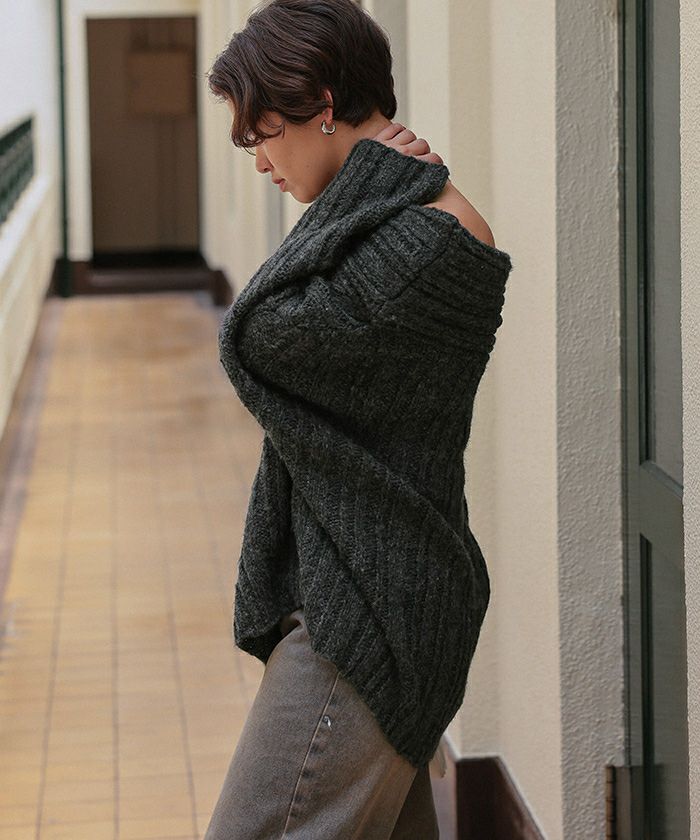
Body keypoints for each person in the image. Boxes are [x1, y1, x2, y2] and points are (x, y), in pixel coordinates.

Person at [204, 1, 513, 837]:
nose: (259, 160)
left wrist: (363, 186)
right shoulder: (392, 217)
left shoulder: (428, 239)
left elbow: (255, 335)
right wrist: (361, 185)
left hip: (371, 612)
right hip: (365, 584)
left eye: (261, 133)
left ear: (322, 102)